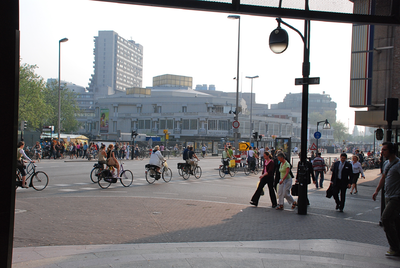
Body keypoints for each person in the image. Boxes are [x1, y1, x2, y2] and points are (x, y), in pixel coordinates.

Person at [372, 142, 400, 257]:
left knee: (386, 219)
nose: (382, 152)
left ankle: (394, 247)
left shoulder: (398, 165)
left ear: (391, 151)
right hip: (387, 196)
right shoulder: (386, 164)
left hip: (396, 197)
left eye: (384, 150)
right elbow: (383, 177)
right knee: (395, 222)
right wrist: (377, 190)